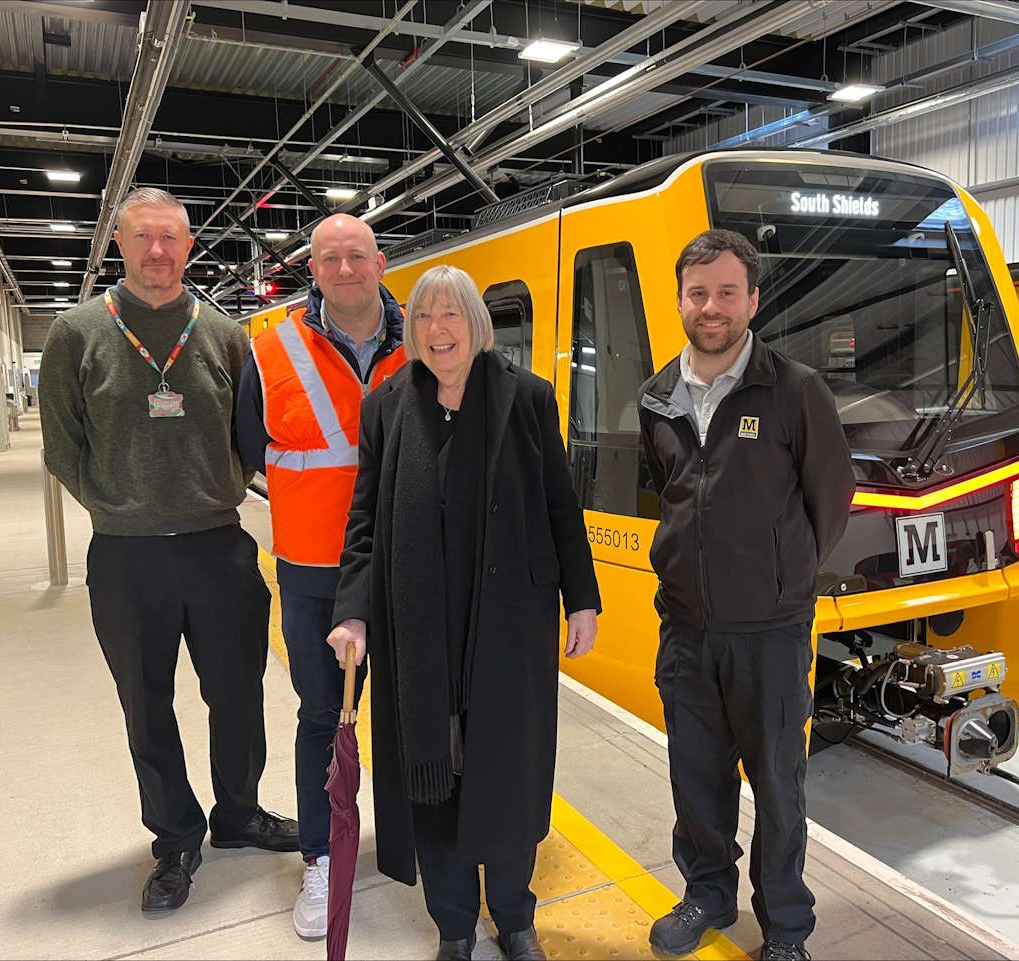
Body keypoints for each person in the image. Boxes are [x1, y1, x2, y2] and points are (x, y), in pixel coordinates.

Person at [326, 265, 600, 961]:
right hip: (417, 632)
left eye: (450, 315)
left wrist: (584, 598)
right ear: (411, 329)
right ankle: (454, 925)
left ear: (477, 324)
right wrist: (353, 611)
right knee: (433, 780)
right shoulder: (387, 405)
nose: (437, 329)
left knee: (507, 773)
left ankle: (514, 918)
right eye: (423, 317)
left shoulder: (527, 398)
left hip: (509, 625)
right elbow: (363, 521)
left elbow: (561, 507)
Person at [39, 187, 298, 915]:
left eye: (172, 238)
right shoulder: (77, 332)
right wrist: (119, 507)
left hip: (220, 546)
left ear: (189, 247)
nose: (158, 250)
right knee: (145, 706)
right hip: (126, 558)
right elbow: (62, 444)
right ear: (118, 242)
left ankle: (239, 813)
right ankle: (176, 835)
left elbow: (251, 438)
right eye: (143, 236)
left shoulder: (222, 334)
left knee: (240, 696)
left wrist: (215, 490)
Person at [638, 229, 855, 961]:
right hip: (688, 630)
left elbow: (830, 499)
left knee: (779, 787)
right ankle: (707, 893)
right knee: (695, 776)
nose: (712, 307)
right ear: (679, 300)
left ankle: (787, 926)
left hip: (771, 632)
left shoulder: (794, 390)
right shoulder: (658, 396)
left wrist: (780, 579)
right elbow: (667, 493)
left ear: (753, 299)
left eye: (727, 292)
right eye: (698, 293)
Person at [236, 212, 407, 939]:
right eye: (329, 257)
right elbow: (247, 448)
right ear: (313, 268)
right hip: (314, 573)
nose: (344, 268)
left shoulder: (424, 342)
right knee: (323, 718)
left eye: (357, 255)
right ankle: (320, 856)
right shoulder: (271, 349)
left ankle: (407, 842)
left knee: (409, 713)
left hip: (405, 566)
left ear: (380, 262)